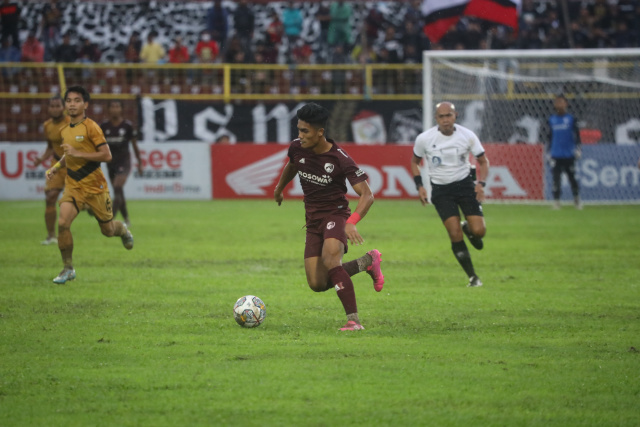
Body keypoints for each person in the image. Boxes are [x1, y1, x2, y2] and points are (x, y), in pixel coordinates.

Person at [273, 103, 384, 331]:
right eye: (299, 130)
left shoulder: (340, 159)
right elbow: (293, 165)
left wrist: (352, 222)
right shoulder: (297, 148)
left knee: (331, 260)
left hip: (335, 214)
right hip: (312, 220)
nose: (300, 136)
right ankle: (367, 262)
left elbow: (367, 195)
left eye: (305, 131)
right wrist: (279, 187)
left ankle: (353, 321)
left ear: (320, 132)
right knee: (317, 283)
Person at [45, 86, 134, 284]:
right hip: (74, 185)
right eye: (69, 101)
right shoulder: (64, 131)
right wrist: (57, 167)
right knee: (63, 223)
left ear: (85, 104)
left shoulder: (92, 127)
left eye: (77, 100)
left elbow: (106, 155)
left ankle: (124, 230)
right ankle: (68, 268)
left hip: (95, 187)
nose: (72, 104)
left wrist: (79, 154)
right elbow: (68, 156)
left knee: (108, 230)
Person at [410, 102, 489, 288]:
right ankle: (473, 277)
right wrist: (420, 186)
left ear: (455, 116)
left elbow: (483, 161)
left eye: (449, 116)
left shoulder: (467, 136)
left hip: (465, 186)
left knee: (479, 232)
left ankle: (468, 228)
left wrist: (481, 184)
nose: (445, 120)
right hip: (441, 190)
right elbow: (415, 162)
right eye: (441, 116)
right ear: (436, 118)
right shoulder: (425, 138)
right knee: (454, 234)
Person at [32, 95, 71, 245]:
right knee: (50, 198)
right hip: (57, 164)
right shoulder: (47, 125)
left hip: (74, 165)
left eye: (57, 106)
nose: (55, 109)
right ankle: (51, 236)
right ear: (48, 108)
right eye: (52, 106)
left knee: (83, 203)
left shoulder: (71, 123)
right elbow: (50, 147)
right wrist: (41, 159)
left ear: (64, 108)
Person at [100, 100, 142, 228]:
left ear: (121, 109)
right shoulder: (104, 127)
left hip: (124, 162)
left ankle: (109, 220)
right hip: (110, 163)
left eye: (117, 106)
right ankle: (127, 219)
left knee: (117, 187)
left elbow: (134, 146)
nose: (115, 109)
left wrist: (140, 162)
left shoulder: (127, 126)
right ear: (108, 109)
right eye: (112, 106)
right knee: (119, 192)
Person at [547, 94, 582, 210]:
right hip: (556, 154)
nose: (559, 104)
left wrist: (578, 149)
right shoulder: (551, 120)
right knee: (556, 179)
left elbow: (577, 136)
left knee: (572, 178)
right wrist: (548, 152)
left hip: (569, 154)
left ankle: (576, 199)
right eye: (557, 102)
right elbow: (549, 137)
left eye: (561, 102)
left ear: (566, 104)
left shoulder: (571, 119)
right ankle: (557, 202)